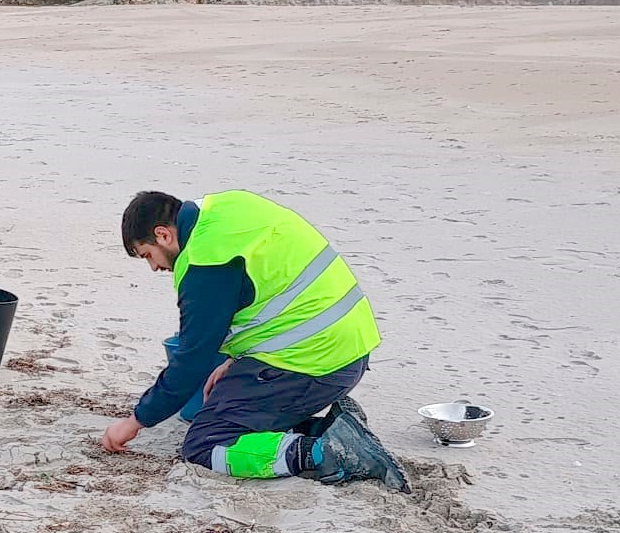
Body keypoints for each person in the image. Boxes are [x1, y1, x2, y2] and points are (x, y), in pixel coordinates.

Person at [101, 189, 404, 487]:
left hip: (314, 362)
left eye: (148, 255)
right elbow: (269, 289)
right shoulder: (227, 210)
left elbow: (192, 360)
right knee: (232, 406)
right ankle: (331, 428)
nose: (155, 267)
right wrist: (236, 359)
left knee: (205, 444)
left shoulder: (204, 261)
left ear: (163, 235)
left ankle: (322, 453)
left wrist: (136, 421)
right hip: (349, 347)